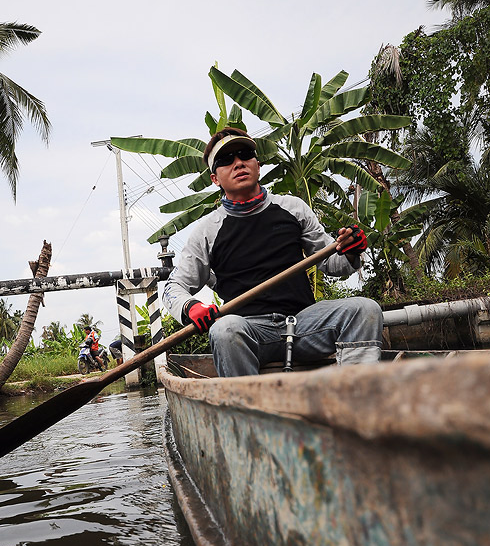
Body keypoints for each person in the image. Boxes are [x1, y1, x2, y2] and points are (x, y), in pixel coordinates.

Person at [162, 127, 383, 377]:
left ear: (258, 165)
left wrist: (351, 251)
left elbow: (334, 264)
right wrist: (191, 307)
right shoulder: (207, 230)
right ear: (215, 179)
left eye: (245, 155)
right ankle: (248, 411)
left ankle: (360, 396)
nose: (238, 163)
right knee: (224, 330)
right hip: (248, 334)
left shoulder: (293, 208)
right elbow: (174, 287)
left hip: (303, 325)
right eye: (226, 160)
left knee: (365, 309)